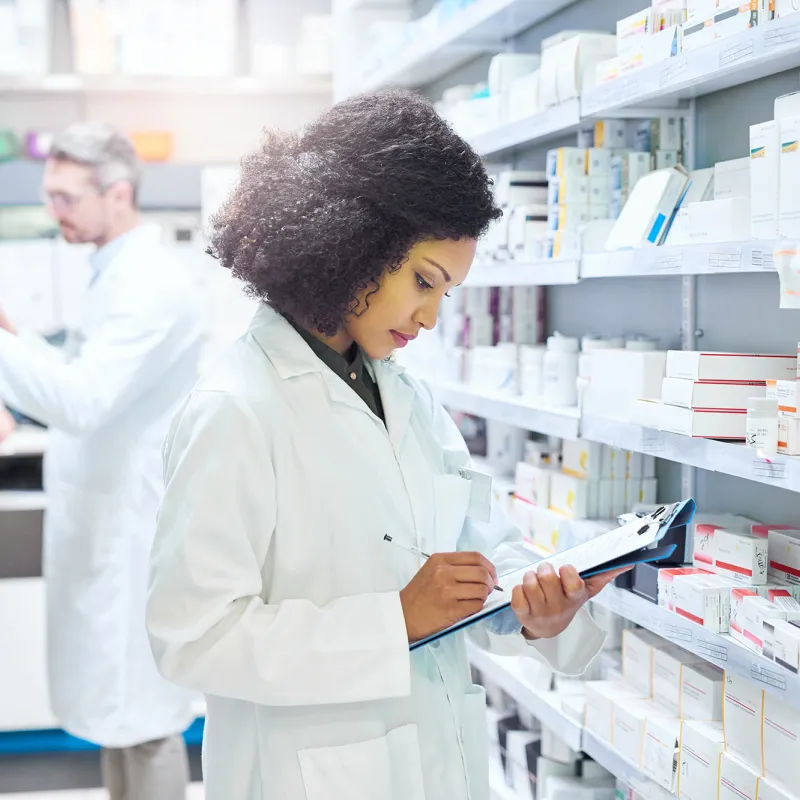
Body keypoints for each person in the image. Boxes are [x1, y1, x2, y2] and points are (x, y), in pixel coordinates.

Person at [146, 91, 623, 800]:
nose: (430, 316)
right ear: (348, 244)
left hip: (435, 763)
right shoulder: (237, 408)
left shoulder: (405, 395)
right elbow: (192, 636)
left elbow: (478, 546)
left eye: (446, 294)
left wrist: (537, 604)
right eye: (422, 281)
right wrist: (394, 619)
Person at [0, 122, 205, 799]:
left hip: (132, 530)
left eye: (65, 198)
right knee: (122, 723)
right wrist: (21, 339)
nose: (53, 211)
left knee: (144, 720)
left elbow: (84, 400)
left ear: (117, 193)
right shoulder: (116, 270)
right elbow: (88, 371)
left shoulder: (148, 279)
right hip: (107, 519)